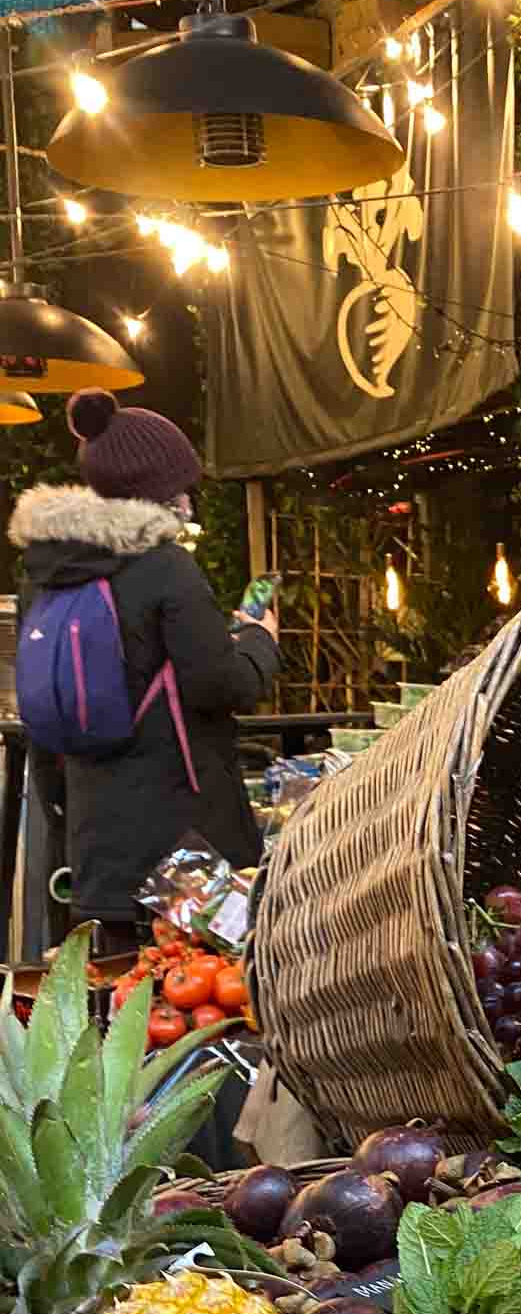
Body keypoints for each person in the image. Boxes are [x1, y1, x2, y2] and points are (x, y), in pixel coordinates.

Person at [9, 390, 278, 956]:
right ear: (161, 489)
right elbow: (222, 685)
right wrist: (259, 640)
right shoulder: (166, 569)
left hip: (96, 849)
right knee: (207, 1008)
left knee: (122, 1015)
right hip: (185, 851)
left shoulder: (47, 574)